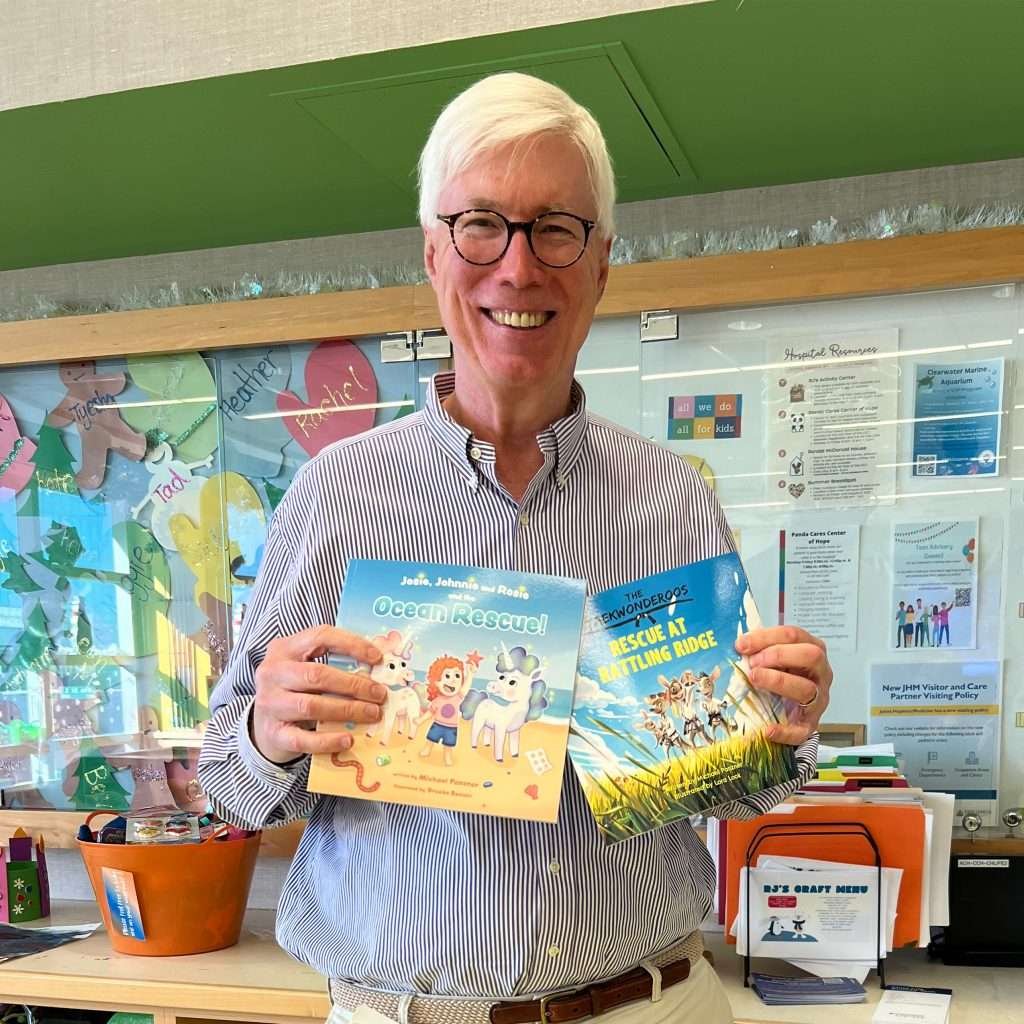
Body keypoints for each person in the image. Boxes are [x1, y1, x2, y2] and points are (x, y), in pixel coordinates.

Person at [198, 72, 833, 1024]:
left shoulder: (672, 496)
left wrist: (779, 731)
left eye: (556, 228)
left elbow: (734, 795)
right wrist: (266, 732)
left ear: (603, 262)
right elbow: (225, 783)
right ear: (432, 251)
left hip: (652, 1005)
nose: (518, 267)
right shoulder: (336, 495)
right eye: (481, 224)